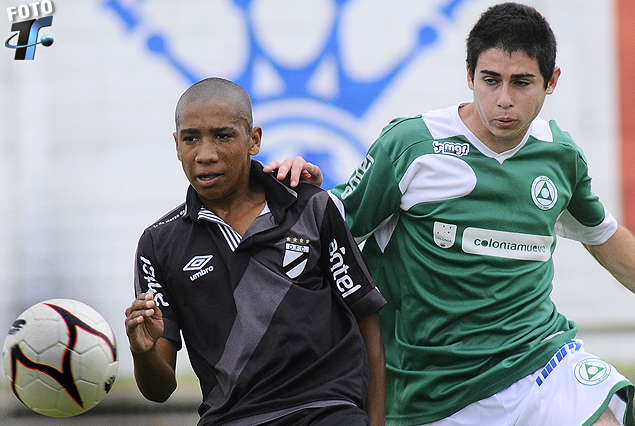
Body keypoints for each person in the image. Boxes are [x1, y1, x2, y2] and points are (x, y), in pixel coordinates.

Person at [264, 2, 635, 425]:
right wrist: (297, 191)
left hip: (539, 359)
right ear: (469, 75)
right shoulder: (411, 146)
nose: (504, 100)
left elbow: (603, 236)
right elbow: (329, 223)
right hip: (434, 389)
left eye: (522, 82)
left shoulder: (560, 155)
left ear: (551, 82)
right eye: (491, 80)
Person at [124, 77, 387, 426]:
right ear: (176, 144)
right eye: (190, 138)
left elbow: (367, 320)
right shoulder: (158, 244)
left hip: (326, 412)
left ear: (254, 140)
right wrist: (141, 352)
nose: (205, 154)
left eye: (223, 136)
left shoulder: (310, 206)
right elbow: (158, 390)